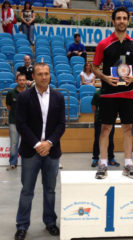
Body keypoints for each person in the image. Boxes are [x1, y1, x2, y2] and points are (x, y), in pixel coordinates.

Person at [14, 63, 65, 240]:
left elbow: (61, 125)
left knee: (50, 190)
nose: (44, 77)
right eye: (40, 74)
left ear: (50, 75)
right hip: (30, 151)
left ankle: (50, 222)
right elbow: (21, 123)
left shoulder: (59, 97)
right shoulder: (24, 97)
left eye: (46, 73)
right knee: (27, 190)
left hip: (52, 151)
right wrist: (37, 144)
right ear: (33, 77)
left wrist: (49, 143)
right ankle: (22, 225)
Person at [92, 7, 133, 179]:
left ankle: (128, 164)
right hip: (108, 93)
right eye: (118, 18)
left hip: (129, 93)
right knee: (105, 128)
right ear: (113, 21)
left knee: (128, 128)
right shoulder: (103, 44)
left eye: (124, 18)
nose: (121, 21)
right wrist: (105, 78)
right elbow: (94, 66)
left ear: (128, 21)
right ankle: (103, 164)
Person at [91, 89, 119, 167]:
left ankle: (111, 158)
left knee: (110, 139)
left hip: (110, 119)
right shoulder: (97, 93)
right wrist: (97, 115)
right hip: (99, 120)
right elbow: (93, 106)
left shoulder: (113, 92)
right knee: (97, 139)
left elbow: (116, 106)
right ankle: (95, 158)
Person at [5, 74, 27, 171]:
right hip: (14, 121)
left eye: (23, 80)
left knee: (27, 143)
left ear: (26, 81)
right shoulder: (11, 93)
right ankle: (13, 163)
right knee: (14, 143)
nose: (22, 82)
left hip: (27, 123)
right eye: (20, 80)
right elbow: (9, 106)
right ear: (17, 81)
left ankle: (26, 162)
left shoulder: (30, 92)